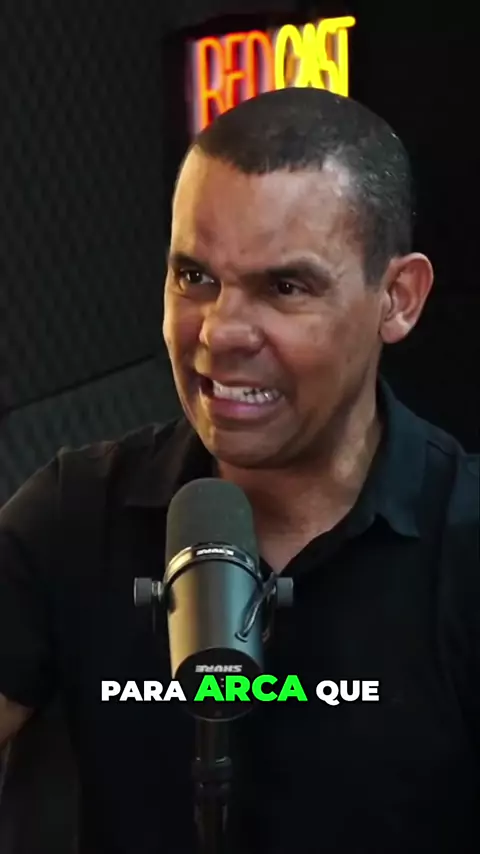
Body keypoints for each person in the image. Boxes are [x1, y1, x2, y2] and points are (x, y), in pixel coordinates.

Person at [0, 86, 478, 854]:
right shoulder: (72, 515)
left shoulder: (465, 544)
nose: (220, 333)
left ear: (397, 299)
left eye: (285, 287)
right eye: (195, 278)